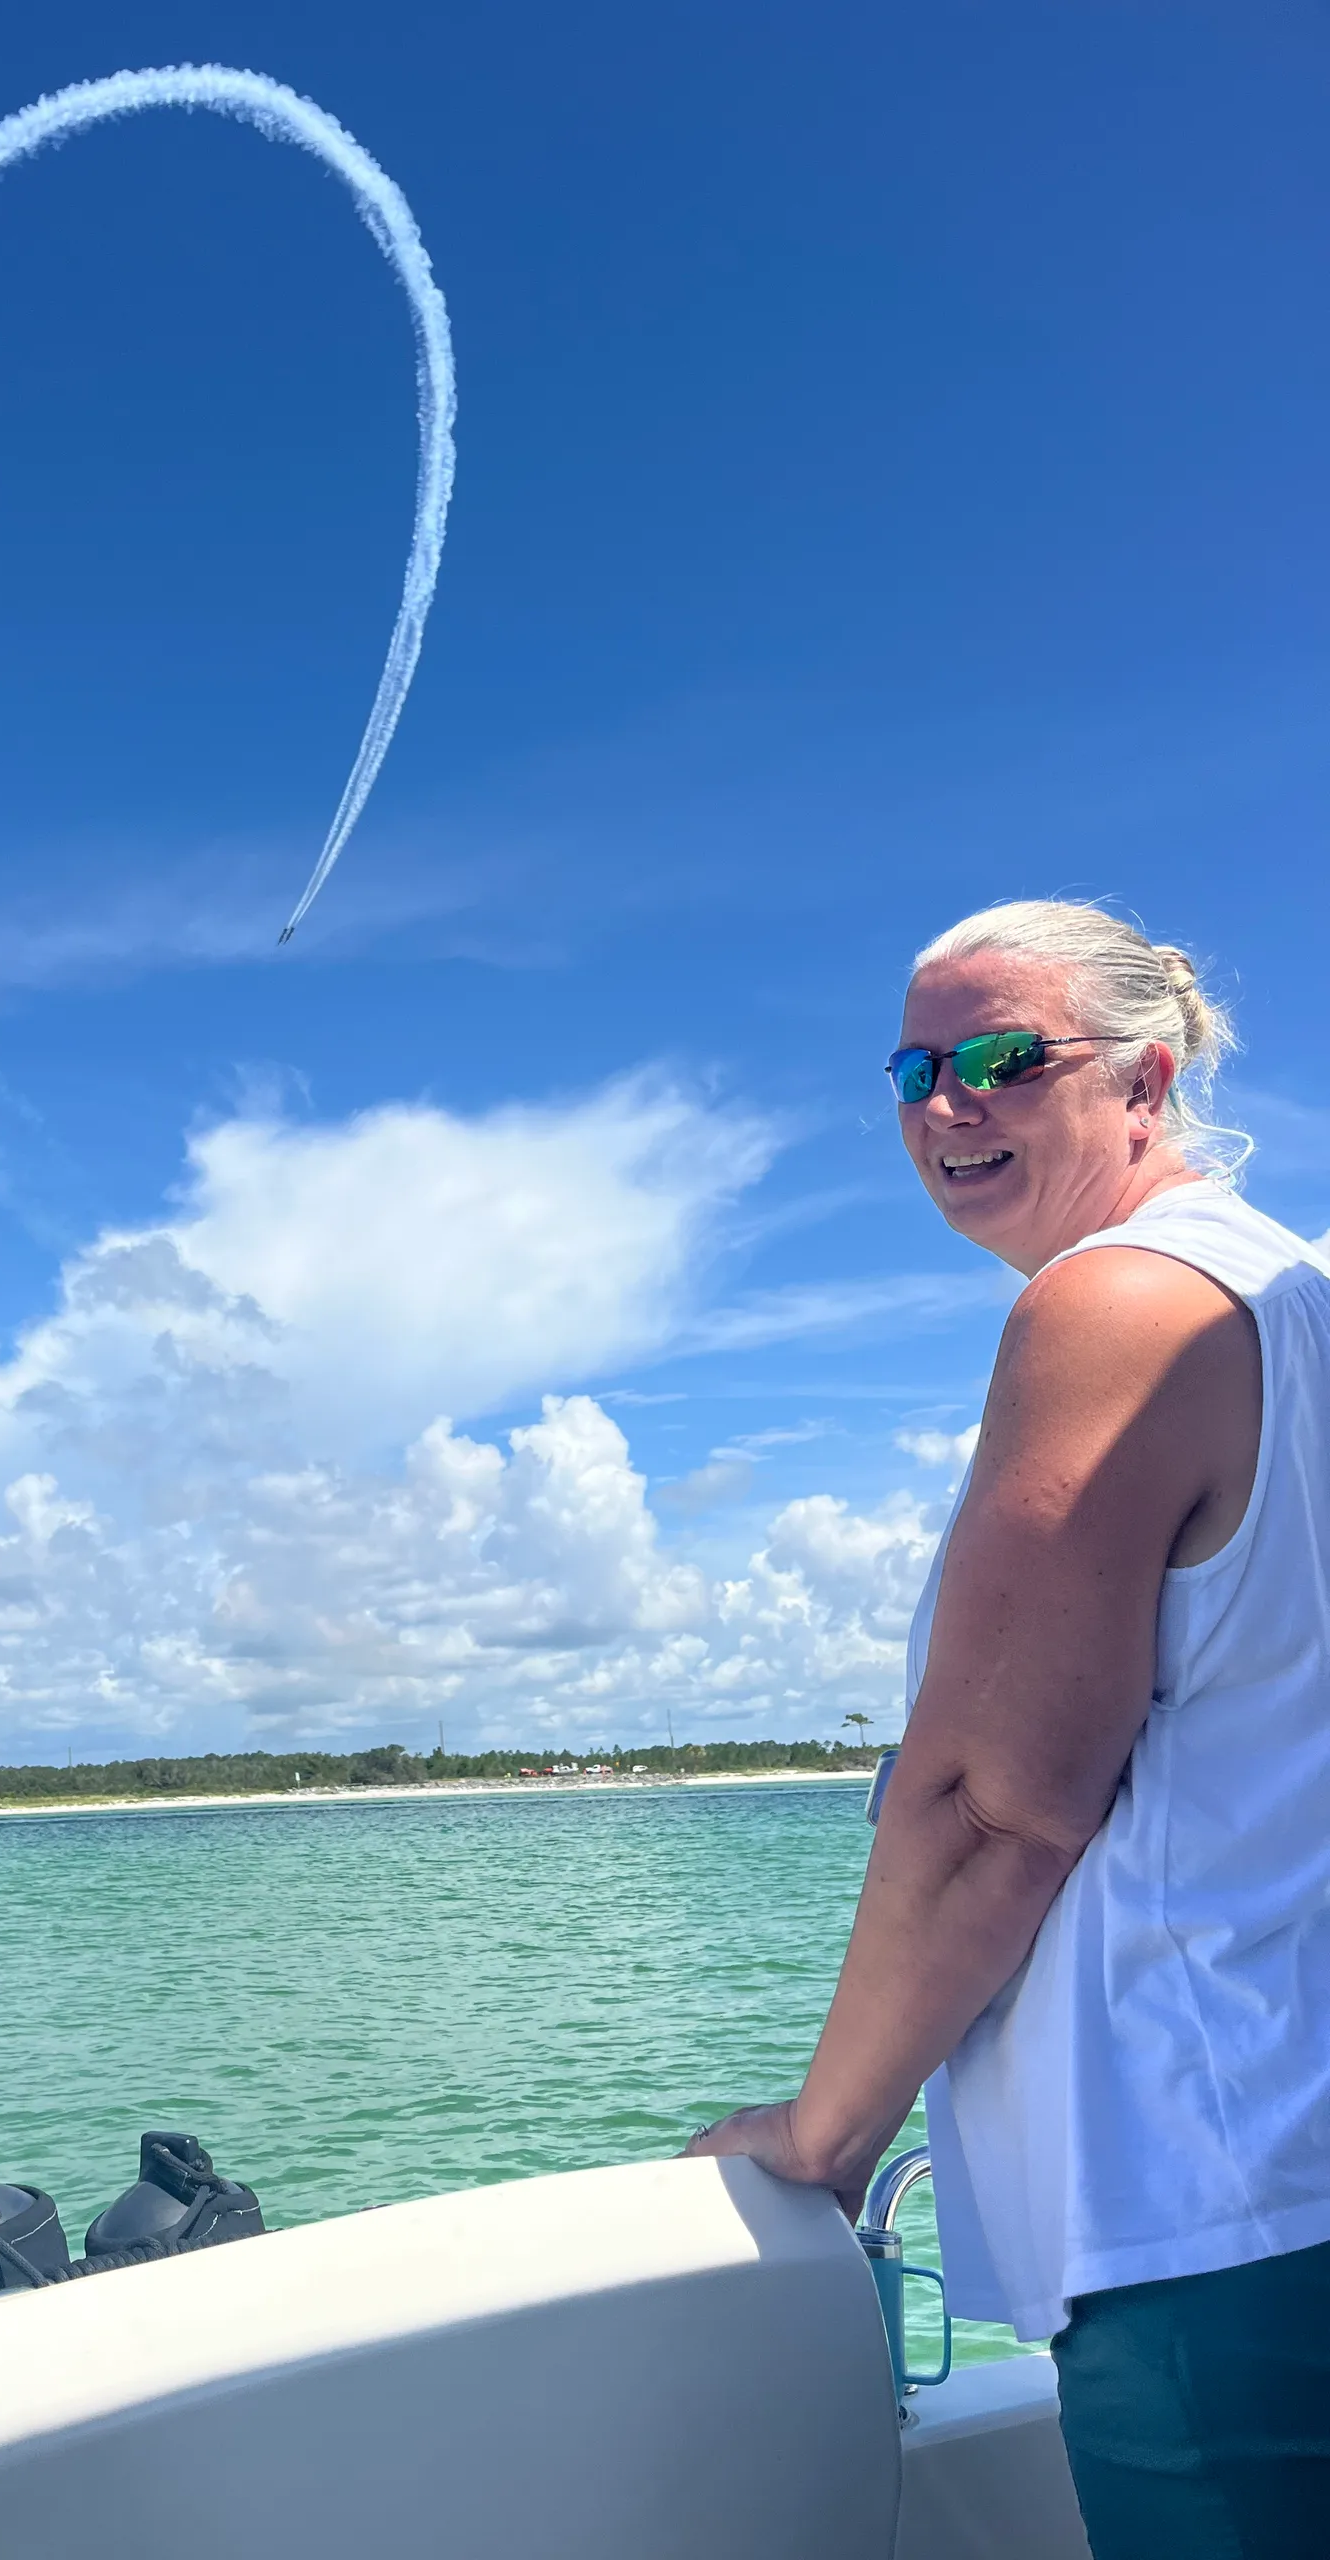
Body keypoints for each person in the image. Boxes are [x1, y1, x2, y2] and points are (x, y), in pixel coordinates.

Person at [687, 901, 1330, 2559]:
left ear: (1146, 1081)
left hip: (1214, 2202)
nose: (944, 1103)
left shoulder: (1117, 1308)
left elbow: (994, 1805)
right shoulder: (1301, 1298)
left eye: (999, 1060)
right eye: (914, 1068)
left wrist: (829, 2135)